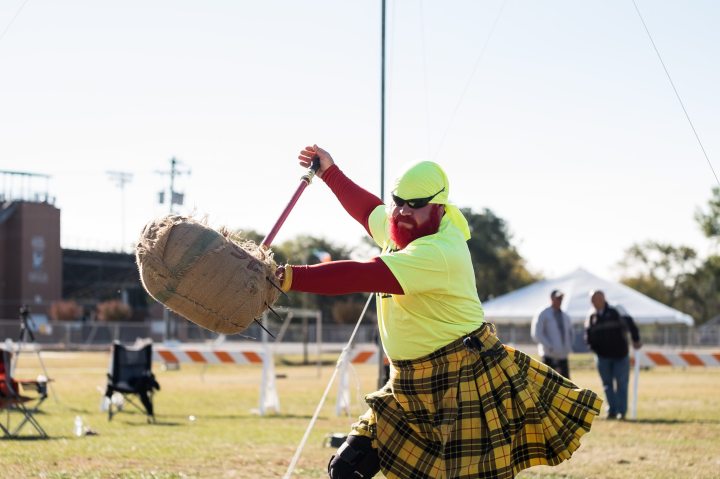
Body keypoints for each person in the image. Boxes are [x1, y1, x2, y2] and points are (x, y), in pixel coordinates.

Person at [277, 144, 602, 479]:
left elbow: (364, 273)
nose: (401, 212)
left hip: (460, 379)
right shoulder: (399, 230)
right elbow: (368, 210)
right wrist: (330, 172)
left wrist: (286, 277)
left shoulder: (440, 252)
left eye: (414, 205)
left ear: (439, 205)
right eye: (398, 201)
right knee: (347, 468)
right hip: (408, 383)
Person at [584, 290, 642, 421]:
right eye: (593, 300)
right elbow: (588, 335)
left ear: (604, 298)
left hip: (620, 355)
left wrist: (636, 339)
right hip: (602, 356)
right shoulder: (591, 315)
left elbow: (631, 324)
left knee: (621, 383)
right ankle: (612, 411)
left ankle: (622, 412)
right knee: (607, 385)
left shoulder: (617, 309)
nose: (595, 302)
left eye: (598, 298)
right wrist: (593, 348)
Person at [531, 289, 574, 378]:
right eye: (558, 298)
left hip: (563, 356)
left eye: (561, 298)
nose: (560, 300)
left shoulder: (565, 315)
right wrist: (549, 347)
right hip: (549, 356)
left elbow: (570, 333)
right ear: (551, 298)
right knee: (548, 384)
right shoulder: (543, 313)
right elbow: (537, 333)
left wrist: (568, 347)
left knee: (566, 385)